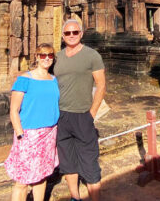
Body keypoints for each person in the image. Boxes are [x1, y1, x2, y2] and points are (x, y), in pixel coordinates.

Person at [54, 19, 106, 201]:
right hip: (61, 116)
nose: (71, 36)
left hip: (83, 115)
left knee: (89, 161)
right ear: (62, 36)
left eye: (75, 32)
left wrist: (91, 113)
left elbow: (101, 85)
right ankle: (75, 197)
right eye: (67, 33)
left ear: (81, 34)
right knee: (67, 159)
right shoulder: (57, 57)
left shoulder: (92, 56)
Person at [4, 43, 60, 201]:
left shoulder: (54, 80)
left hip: (49, 134)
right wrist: (21, 134)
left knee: (42, 176)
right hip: (29, 134)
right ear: (36, 57)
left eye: (50, 55)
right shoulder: (24, 79)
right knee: (22, 180)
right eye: (43, 55)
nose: (47, 58)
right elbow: (14, 110)